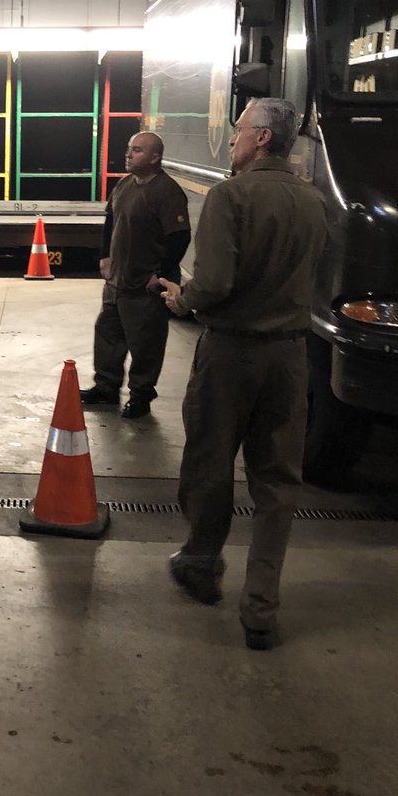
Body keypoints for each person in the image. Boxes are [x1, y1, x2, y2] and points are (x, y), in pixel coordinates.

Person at [159, 98, 327, 651]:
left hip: (231, 352)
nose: (230, 142)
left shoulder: (231, 195)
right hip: (290, 355)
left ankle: (202, 564)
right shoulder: (313, 200)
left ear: (260, 140)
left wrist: (181, 299)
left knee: (210, 461)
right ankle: (260, 608)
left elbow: (213, 284)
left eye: (237, 134)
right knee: (277, 482)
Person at [80, 131, 190, 418]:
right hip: (117, 282)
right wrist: (105, 256)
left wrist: (161, 274)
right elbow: (110, 220)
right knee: (107, 336)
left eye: (137, 150)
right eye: (129, 149)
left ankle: (140, 396)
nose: (128, 155)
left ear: (155, 157)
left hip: (145, 287)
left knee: (146, 344)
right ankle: (106, 388)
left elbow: (179, 237)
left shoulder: (167, 192)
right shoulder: (125, 185)